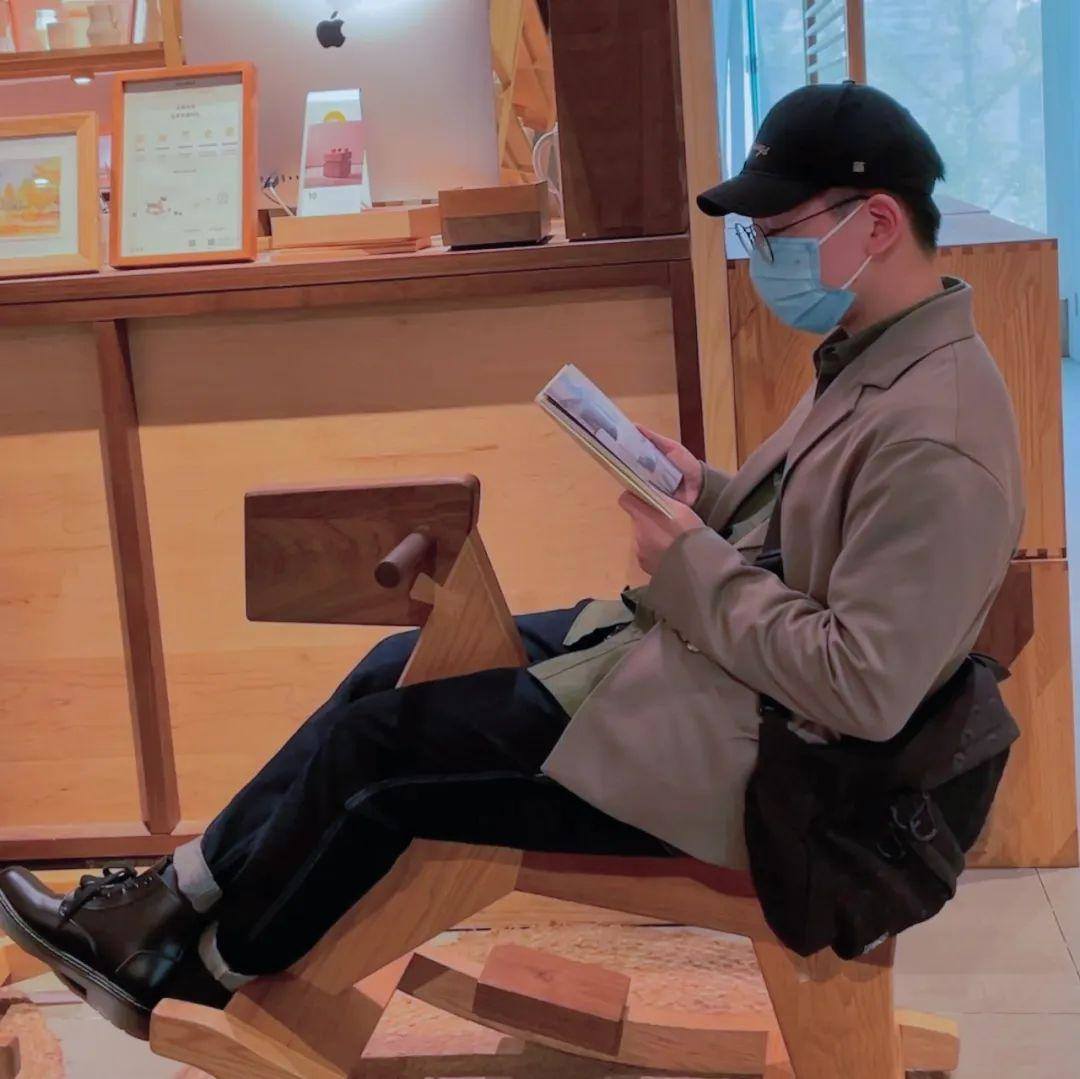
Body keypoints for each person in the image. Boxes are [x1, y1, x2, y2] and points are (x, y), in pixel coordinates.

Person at [0, 81, 1023, 1040]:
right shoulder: (877, 355)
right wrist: (706, 493)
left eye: (778, 233)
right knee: (395, 671)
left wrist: (689, 563)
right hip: (718, 686)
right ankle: (169, 898)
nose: (762, 255)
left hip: (784, 776)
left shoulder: (935, 431)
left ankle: (199, 974)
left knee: (378, 755)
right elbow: (816, 544)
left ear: (874, 223)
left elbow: (863, 685)